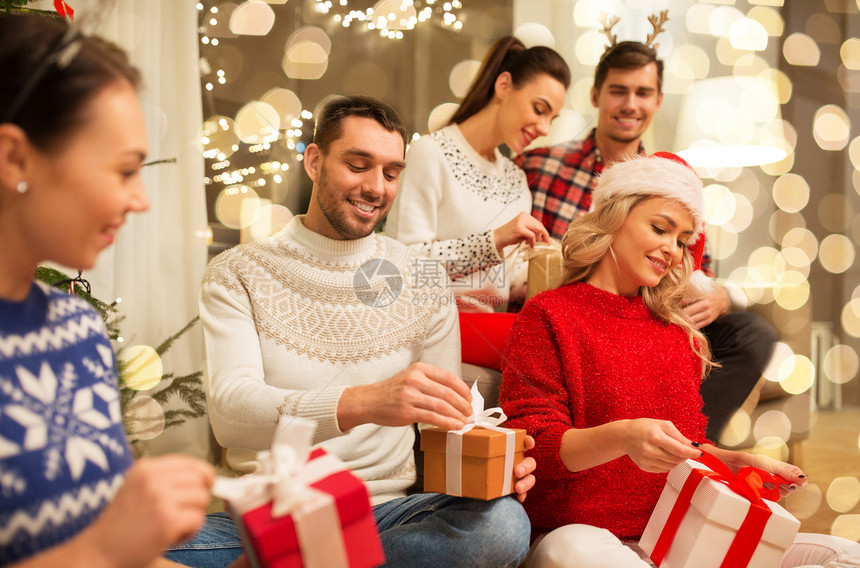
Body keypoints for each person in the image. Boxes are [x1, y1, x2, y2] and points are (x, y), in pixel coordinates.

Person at [192, 95, 534, 568]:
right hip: (270, 513)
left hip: (386, 515)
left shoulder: (422, 276)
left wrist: (492, 465)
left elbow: (447, 423)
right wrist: (366, 401)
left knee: (503, 526)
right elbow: (231, 414)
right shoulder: (238, 272)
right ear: (314, 161)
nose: (376, 187)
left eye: (391, 173)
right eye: (358, 165)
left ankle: (307, 561)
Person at [499, 153, 860, 567]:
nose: (672, 249)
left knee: (845, 555)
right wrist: (623, 436)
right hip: (583, 533)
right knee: (572, 553)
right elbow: (537, 449)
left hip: (677, 532)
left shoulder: (676, 333)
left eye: (682, 239)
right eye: (660, 228)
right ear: (614, 217)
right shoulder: (549, 315)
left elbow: (685, 446)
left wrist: (738, 461)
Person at [0, 13, 220, 568]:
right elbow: (102, 550)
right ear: (14, 158)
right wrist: (103, 549)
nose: (141, 199)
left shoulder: (78, 331)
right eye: (124, 171)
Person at [515, 39, 776, 442]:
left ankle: (686, 442)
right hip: (580, 318)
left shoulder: (673, 184)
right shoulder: (538, 166)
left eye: (643, 93)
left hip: (646, 317)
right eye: (619, 91)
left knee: (752, 332)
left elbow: (693, 271)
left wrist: (721, 297)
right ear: (596, 95)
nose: (630, 104)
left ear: (657, 101)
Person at [385, 36, 568, 313]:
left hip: (491, 344)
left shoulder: (516, 180)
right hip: (431, 338)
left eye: (551, 119)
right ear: (504, 85)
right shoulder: (431, 153)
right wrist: (493, 241)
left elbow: (508, 284)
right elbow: (404, 263)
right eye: (539, 109)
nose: (544, 128)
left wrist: (562, 264)